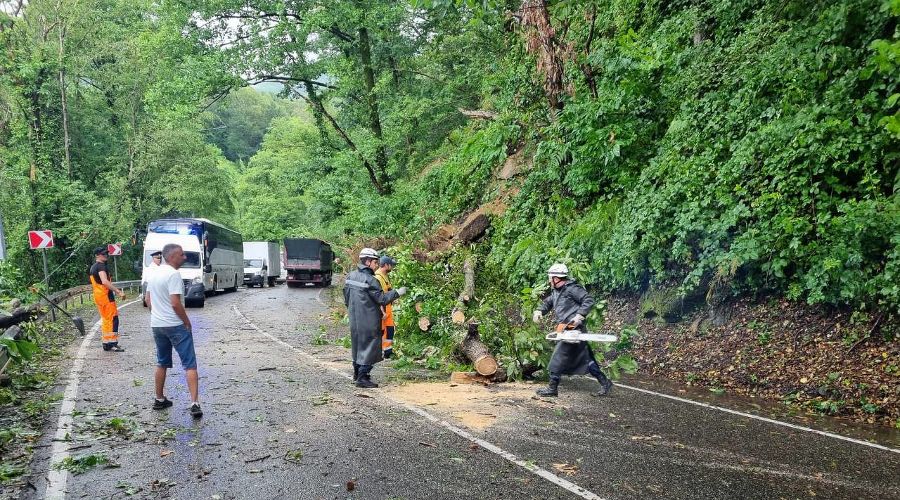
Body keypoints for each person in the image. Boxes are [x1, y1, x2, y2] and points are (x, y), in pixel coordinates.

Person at [532, 263, 612, 397]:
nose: (549, 279)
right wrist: (539, 311)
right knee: (586, 359)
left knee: (558, 356)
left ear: (556, 278)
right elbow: (547, 302)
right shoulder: (557, 291)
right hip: (565, 329)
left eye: (550, 277)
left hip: (574, 330)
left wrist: (580, 315)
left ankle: (552, 388)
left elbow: (588, 300)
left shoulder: (572, 289)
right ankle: (605, 382)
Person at [145, 243, 202, 418]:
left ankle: (159, 399)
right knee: (190, 364)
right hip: (175, 324)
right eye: (182, 255)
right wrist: (186, 322)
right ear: (172, 257)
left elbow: (147, 299)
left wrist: (157, 315)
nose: (184, 257)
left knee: (162, 361)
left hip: (157, 324)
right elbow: (175, 303)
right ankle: (194, 403)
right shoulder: (173, 274)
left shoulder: (153, 273)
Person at [344, 248, 406, 388]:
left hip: (355, 318)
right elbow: (382, 299)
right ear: (367, 261)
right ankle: (362, 377)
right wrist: (397, 292)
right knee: (371, 346)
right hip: (369, 320)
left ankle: (356, 373)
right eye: (374, 262)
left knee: (358, 345)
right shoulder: (371, 280)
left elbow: (346, 297)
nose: (376, 265)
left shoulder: (350, 276)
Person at [89, 247, 126, 352]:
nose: (106, 255)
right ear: (97, 255)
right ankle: (112, 343)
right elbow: (105, 281)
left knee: (105, 320)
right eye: (103, 254)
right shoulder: (101, 267)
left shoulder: (93, 267)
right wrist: (118, 291)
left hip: (98, 297)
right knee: (113, 319)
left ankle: (106, 343)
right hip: (106, 297)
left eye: (106, 254)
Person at [374, 256, 398, 359]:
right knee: (382, 332)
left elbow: (387, 292)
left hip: (387, 308)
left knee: (389, 330)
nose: (392, 267)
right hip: (383, 310)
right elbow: (377, 297)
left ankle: (387, 352)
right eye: (391, 265)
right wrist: (382, 312)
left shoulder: (384, 275)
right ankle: (379, 352)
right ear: (386, 265)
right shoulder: (377, 277)